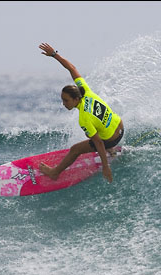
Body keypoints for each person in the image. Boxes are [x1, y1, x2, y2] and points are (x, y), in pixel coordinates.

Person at [38, 43, 124, 183]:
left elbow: (99, 144)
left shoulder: (84, 118)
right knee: (92, 130)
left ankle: (54, 172)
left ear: (76, 99)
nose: (64, 104)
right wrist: (54, 55)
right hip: (120, 127)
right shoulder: (86, 91)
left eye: (66, 101)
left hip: (111, 139)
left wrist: (105, 166)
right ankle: (112, 150)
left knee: (75, 149)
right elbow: (72, 68)